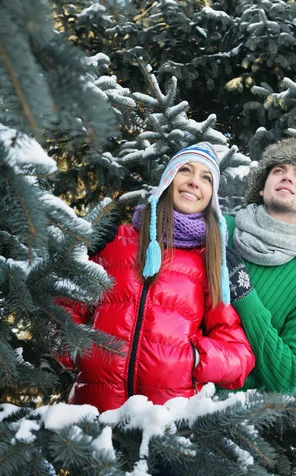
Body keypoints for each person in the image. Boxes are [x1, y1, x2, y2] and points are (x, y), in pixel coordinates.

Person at [57, 143, 255, 412]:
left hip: (165, 424)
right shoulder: (116, 241)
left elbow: (240, 356)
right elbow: (61, 312)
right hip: (92, 414)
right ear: (169, 178)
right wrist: (78, 353)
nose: (194, 182)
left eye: (206, 177)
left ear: (212, 195)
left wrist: (193, 359)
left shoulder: (211, 261)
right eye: (186, 169)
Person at [225, 138, 296, 394]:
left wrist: (246, 300)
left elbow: (288, 379)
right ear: (262, 188)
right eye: (278, 171)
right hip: (155, 397)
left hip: (223, 417)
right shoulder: (219, 229)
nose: (287, 177)